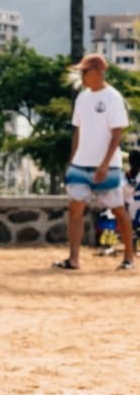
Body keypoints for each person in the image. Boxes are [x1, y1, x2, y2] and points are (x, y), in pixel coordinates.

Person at [60, 53, 134, 272]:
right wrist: (73, 160)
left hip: (108, 166)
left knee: (118, 210)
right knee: (75, 207)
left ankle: (129, 257)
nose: (81, 76)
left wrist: (104, 164)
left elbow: (117, 134)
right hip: (81, 164)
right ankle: (73, 259)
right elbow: (78, 130)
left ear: (98, 73)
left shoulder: (113, 97)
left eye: (84, 71)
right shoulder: (82, 98)